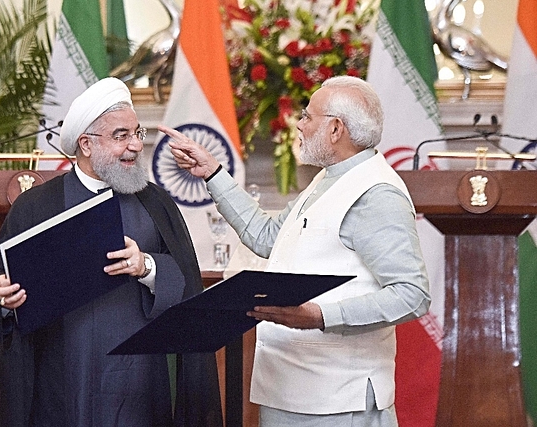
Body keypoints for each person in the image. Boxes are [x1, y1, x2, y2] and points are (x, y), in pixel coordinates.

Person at [159, 75, 431, 427]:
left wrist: (319, 316)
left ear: (335, 129)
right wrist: (212, 173)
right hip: (290, 390)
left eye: (307, 116)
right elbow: (266, 236)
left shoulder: (376, 193)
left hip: (338, 401)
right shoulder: (328, 178)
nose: (299, 125)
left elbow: (412, 295)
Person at [0, 77, 222, 427]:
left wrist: (146, 266)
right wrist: (0, 293)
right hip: (61, 384)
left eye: (137, 134)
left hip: (140, 386)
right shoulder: (36, 205)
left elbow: (187, 283)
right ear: (86, 144)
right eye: (121, 136)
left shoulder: (156, 202)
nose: (135, 145)